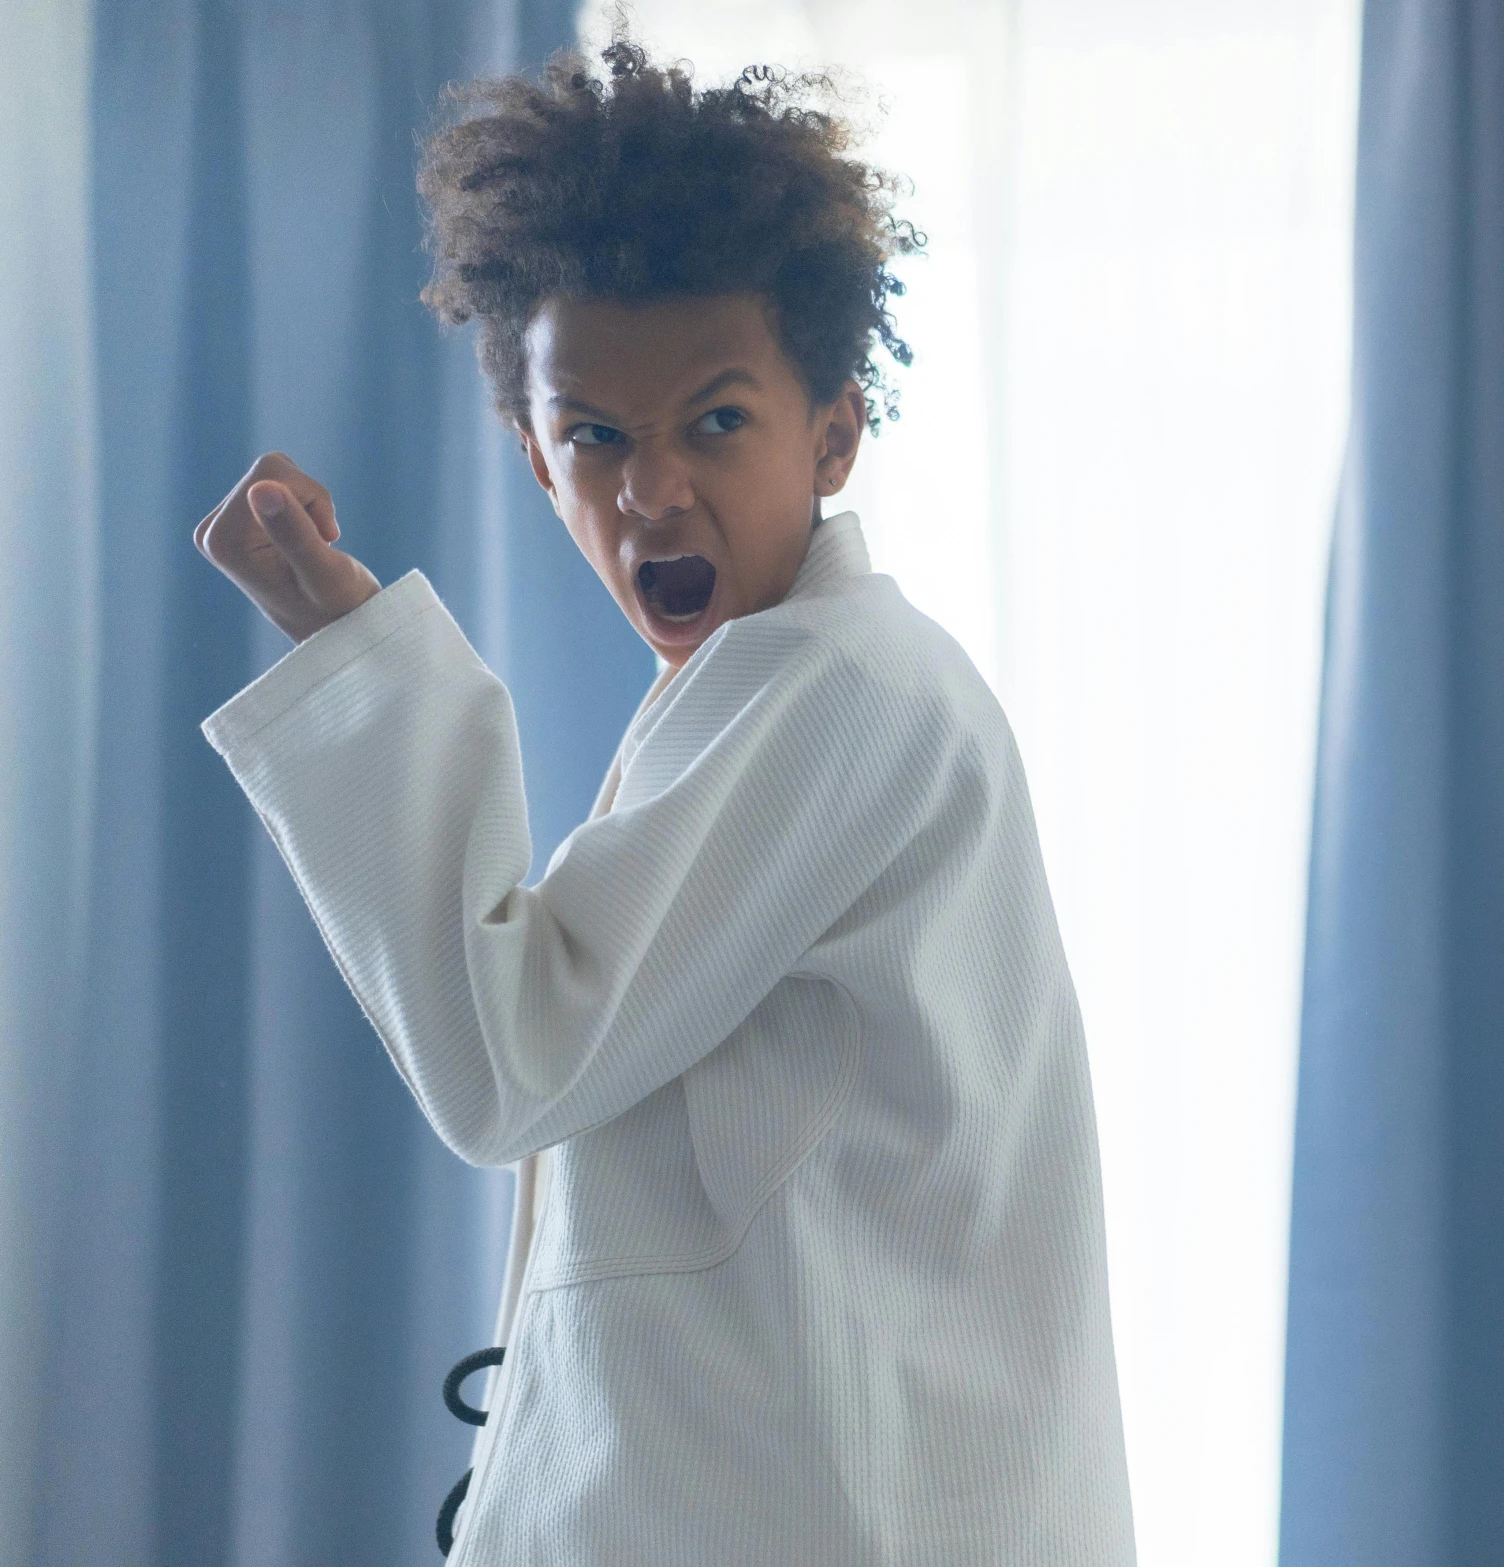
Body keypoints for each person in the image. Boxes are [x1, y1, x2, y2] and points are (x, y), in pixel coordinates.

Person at [193, 38, 1133, 1565]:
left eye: (714, 422)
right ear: (531, 452)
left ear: (832, 430)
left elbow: (514, 1055)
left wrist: (353, 650)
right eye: (597, 438)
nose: (649, 494)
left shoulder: (839, 692)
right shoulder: (791, 691)